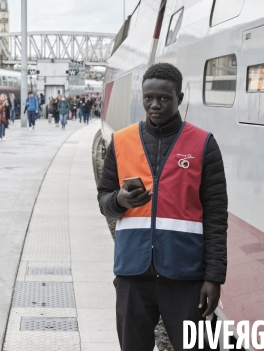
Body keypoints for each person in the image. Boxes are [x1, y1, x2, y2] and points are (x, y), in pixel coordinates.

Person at [97, 63, 228, 351]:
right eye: (148, 98)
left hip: (184, 275)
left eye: (164, 98)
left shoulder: (203, 144)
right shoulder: (121, 142)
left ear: (180, 98)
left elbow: (216, 216)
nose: (155, 105)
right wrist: (118, 200)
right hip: (133, 274)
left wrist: (214, 277)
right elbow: (104, 199)